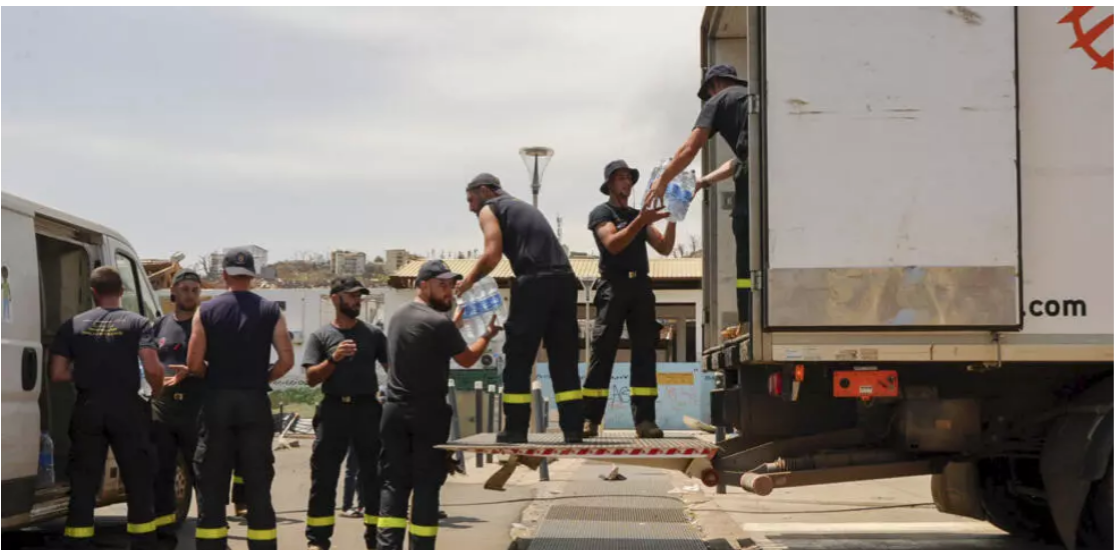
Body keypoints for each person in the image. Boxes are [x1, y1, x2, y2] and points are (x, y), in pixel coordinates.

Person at [377, 260, 500, 550]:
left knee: (393, 484)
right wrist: (487, 335)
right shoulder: (438, 322)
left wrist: (452, 325)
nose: (449, 292)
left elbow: (426, 342)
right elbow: (467, 359)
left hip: (393, 411)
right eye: (442, 286)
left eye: (450, 286)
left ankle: (387, 546)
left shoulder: (399, 316)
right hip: (426, 415)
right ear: (422, 285)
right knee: (426, 486)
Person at [459, 173, 585, 444]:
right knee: (564, 359)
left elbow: (492, 255)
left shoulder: (490, 208)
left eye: (471, 199)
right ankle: (573, 429)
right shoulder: (523, 207)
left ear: (484, 190)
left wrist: (466, 284)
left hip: (535, 282)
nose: (471, 207)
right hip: (565, 282)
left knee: (518, 357)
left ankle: (516, 428)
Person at [49, 266, 168, 550]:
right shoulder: (138, 323)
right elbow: (151, 366)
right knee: (138, 479)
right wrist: (157, 389)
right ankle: (143, 544)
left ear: (93, 293)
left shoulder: (73, 324)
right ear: (122, 292)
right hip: (128, 408)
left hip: (88, 407)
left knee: (84, 481)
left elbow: (58, 373)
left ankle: (78, 543)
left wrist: (90, 375)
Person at [187, 248, 294, 550]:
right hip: (254, 402)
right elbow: (286, 361)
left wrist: (213, 376)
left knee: (212, 480)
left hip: (217, 401)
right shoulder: (271, 311)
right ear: (252, 277)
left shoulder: (206, 311)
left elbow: (193, 362)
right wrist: (262, 378)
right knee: (258, 482)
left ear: (223, 275)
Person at [646, 64, 752, 331]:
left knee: (745, 254)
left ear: (714, 84)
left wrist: (663, 180)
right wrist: (702, 182)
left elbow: (689, 147)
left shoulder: (718, 100)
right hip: (768, 182)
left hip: (751, 188)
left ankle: (748, 320)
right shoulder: (751, 100)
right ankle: (755, 317)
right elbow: (739, 161)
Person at [583, 160, 675, 439]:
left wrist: (674, 218)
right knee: (603, 351)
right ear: (609, 184)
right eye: (620, 178)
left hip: (641, 287)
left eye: (629, 178)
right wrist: (642, 220)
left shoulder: (639, 215)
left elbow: (665, 247)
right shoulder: (602, 213)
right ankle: (590, 418)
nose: (626, 183)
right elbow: (613, 243)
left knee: (645, 352)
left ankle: (645, 420)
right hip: (614, 286)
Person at [302, 277, 388, 550]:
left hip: (367, 410)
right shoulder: (321, 336)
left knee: (373, 477)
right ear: (335, 299)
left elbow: (393, 369)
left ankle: (374, 539)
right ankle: (318, 539)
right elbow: (311, 378)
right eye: (351, 296)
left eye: (359, 296)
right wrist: (333, 359)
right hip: (333, 410)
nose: (357, 301)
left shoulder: (373, 335)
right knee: (324, 478)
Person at [150, 269, 205, 547]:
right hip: (163, 409)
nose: (190, 295)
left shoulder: (206, 326)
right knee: (162, 472)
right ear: (173, 292)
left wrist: (196, 370)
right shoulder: (159, 325)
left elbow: (221, 366)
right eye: (185, 289)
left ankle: (210, 531)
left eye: (195, 290)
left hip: (196, 410)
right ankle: (164, 534)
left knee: (202, 473)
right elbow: (145, 360)